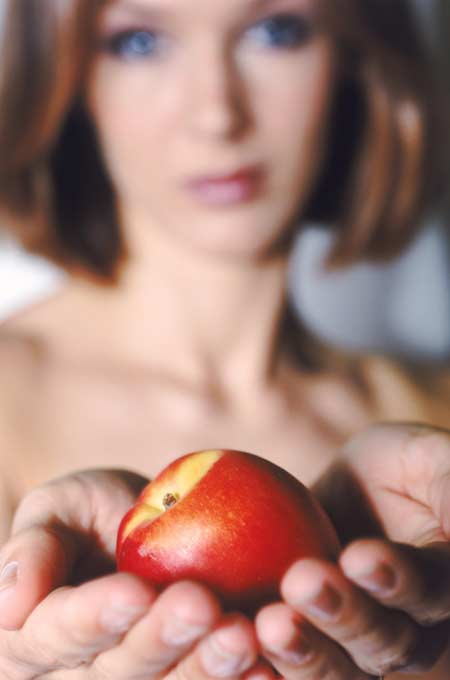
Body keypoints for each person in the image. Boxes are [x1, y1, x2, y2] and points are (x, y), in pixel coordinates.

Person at [0, 0, 449, 677]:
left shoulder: (434, 443)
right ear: (66, 79)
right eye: (139, 41)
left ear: (354, 60)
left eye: (277, 31)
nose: (217, 114)